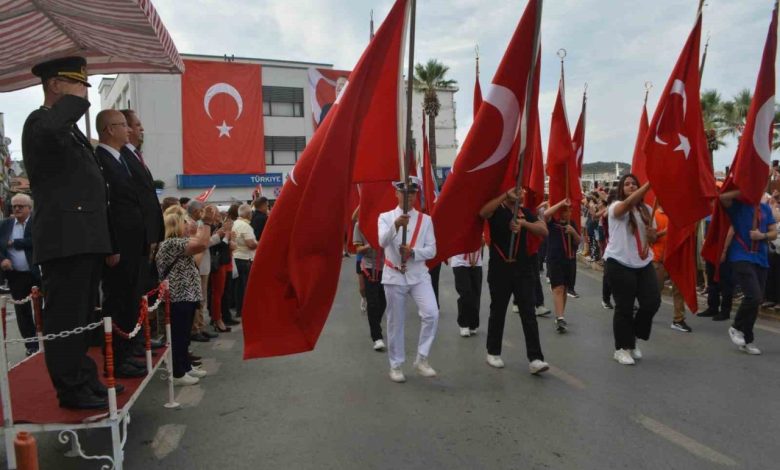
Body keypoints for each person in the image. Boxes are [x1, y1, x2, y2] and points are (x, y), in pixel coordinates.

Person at [22, 56, 114, 409]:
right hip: (64, 237)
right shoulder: (40, 122)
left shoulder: (68, 129)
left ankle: (84, 377)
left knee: (82, 316)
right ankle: (70, 388)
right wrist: (76, 102)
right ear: (56, 85)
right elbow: (50, 133)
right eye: (78, 84)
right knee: (65, 317)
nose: (84, 92)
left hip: (84, 235)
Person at [94, 109, 148, 378]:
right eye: (122, 125)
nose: (128, 130)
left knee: (129, 299)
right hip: (120, 245)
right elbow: (107, 208)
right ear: (109, 130)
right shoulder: (102, 159)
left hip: (132, 242)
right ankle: (117, 357)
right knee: (118, 301)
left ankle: (128, 351)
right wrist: (111, 245)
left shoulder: (120, 159)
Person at [479, 187, 549, 375]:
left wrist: (524, 224)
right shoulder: (497, 210)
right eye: (516, 191)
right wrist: (503, 194)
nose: (521, 194)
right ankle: (493, 352)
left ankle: (535, 358)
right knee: (498, 310)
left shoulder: (525, 213)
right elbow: (483, 212)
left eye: (522, 191)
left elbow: (543, 230)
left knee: (529, 312)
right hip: (500, 269)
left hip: (523, 269)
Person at [378, 177, 438, 383]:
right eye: (404, 192)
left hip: (418, 274)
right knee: (396, 322)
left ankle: (422, 358)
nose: (408, 196)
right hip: (394, 275)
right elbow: (382, 241)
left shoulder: (425, 220)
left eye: (412, 192)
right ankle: (395, 365)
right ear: (396, 193)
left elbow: (432, 249)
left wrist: (413, 252)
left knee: (432, 313)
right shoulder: (385, 217)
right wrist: (396, 225)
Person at [603, 174, 660, 366]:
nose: (631, 186)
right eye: (626, 184)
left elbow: (652, 238)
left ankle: (633, 336)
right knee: (624, 306)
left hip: (642, 263)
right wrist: (647, 185)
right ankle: (621, 348)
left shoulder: (647, 210)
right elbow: (626, 206)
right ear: (621, 189)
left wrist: (653, 235)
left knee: (652, 302)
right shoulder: (615, 207)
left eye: (633, 183)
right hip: (619, 262)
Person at [157, 207, 210, 386]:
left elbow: (197, 255)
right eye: (185, 223)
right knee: (179, 335)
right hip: (178, 296)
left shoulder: (178, 243)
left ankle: (185, 366)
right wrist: (207, 223)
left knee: (184, 335)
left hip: (186, 295)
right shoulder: (171, 243)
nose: (188, 226)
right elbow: (202, 245)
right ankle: (178, 372)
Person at [720, 189, 777, 355]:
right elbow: (723, 197)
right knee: (754, 296)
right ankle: (736, 327)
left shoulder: (765, 208)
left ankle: (747, 339)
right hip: (741, 256)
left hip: (761, 258)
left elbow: (773, 233)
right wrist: (745, 188)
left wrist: (762, 235)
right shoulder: (738, 205)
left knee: (755, 301)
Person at [0, 194, 40, 356]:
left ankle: (49, 342)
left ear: (29, 208)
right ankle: (31, 344)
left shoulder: (37, 222)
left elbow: (37, 240)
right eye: (14, 206)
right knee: (22, 312)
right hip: (16, 276)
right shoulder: (5, 225)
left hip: (37, 272)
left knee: (44, 309)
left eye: (20, 206)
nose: (16, 209)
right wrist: (2, 259)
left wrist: (15, 243)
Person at [651, 205, 691, 333]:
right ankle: (647, 311)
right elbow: (650, 238)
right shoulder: (654, 214)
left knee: (679, 289)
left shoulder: (678, 215)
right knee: (656, 290)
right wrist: (666, 231)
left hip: (675, 258)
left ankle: (678, 319)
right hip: (658, 259)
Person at [543, 198, 581, 334]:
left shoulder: (573, 224)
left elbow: (579, 240)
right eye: (565, 211)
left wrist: (573, 232)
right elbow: (545, 214)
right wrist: (560, 203)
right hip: (555, 260)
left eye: (570, 210)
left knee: (565, 288)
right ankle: (560, 317)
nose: (569, 213)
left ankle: (561, 314)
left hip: (570, 260)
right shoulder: (552, 223)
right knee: (558, 287)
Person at [353, 221, 386, 351]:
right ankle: (377, 337)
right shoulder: (359, 225)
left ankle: (375, 324)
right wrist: (369, 245)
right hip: (368, 267)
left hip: (385, 267)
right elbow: (358, 249)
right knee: (373, 303)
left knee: (383, 302)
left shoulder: (385, 221)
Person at [451, 243, 483, 338]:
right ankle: (464, 324)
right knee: (465, 292)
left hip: (476, 261)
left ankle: (473, 323)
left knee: (476, 293)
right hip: (460, 261)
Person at [232, 204, 257, 317]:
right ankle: (242, 310)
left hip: (237, 257)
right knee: (243, 286)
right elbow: (251, 244)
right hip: (244, 258)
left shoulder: (235, 223)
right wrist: (260, 243)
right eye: (251, 213)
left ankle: (239, 309)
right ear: (248, 214)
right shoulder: (245, 226)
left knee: (238, 287)